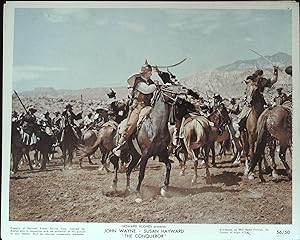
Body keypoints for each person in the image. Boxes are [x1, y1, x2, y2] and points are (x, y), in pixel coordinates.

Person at [112, 61, 156, 157]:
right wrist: (156, 86)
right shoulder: (139, 82)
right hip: (138, 106)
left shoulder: (150, 82)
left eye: (151, 72)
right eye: (149, 72)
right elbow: (147, 90)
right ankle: (121, 143)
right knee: (131, 123)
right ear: (144, 72)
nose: (151, 74)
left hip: (149, 106)